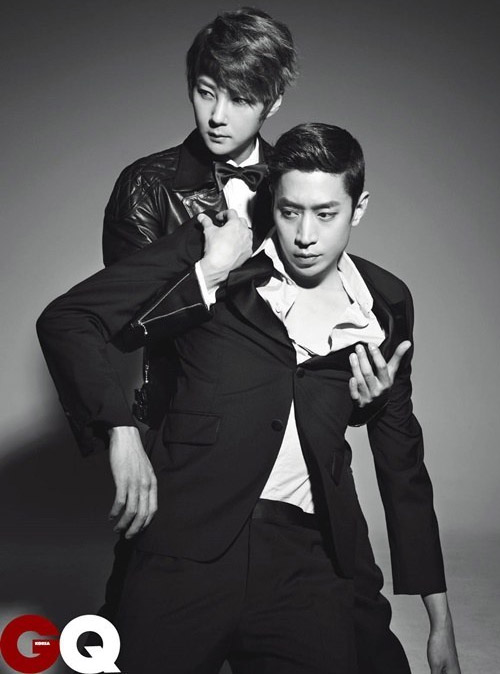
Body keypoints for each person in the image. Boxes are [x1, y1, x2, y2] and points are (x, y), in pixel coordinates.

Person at [37, 122, 461, 673]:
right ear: (270, 203)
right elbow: (69, 320)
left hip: (306, 559)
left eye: (326, 214)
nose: (305, 235)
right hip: (187, 543)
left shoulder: (382, 303)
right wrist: (120, 430)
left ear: (358, 210)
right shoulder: (217, 253)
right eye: (289, 211)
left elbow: (402, 461)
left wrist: (440, 621)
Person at [97, 9, 412, 672]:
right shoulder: (148, 188)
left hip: (292, 478)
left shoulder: (298, 180)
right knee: (141, 629)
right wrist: (120, 431)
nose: (217, 115)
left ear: (274, 100)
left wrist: (364, 395)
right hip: (188, 444)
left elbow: (310, 336)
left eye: (240, 98)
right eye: (205, 91)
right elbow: (123, 326)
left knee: (359, 638)